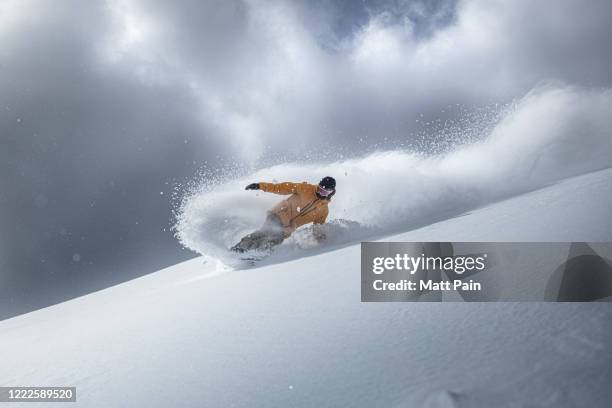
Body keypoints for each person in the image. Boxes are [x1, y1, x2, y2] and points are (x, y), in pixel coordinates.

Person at [231, 176, 336, 253]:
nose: (320, 194)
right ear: (317, 186)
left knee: (274, 240)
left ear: (331, 193)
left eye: (324, 192)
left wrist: (323, 244)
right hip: (279, 214)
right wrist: (260, 186)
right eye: (319, 189)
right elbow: (281, 188)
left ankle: (254, 253)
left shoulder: (323, 210)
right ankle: (240, 248)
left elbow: (318, 228)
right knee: (267, 233)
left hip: (287, 229)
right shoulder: (305, 188)